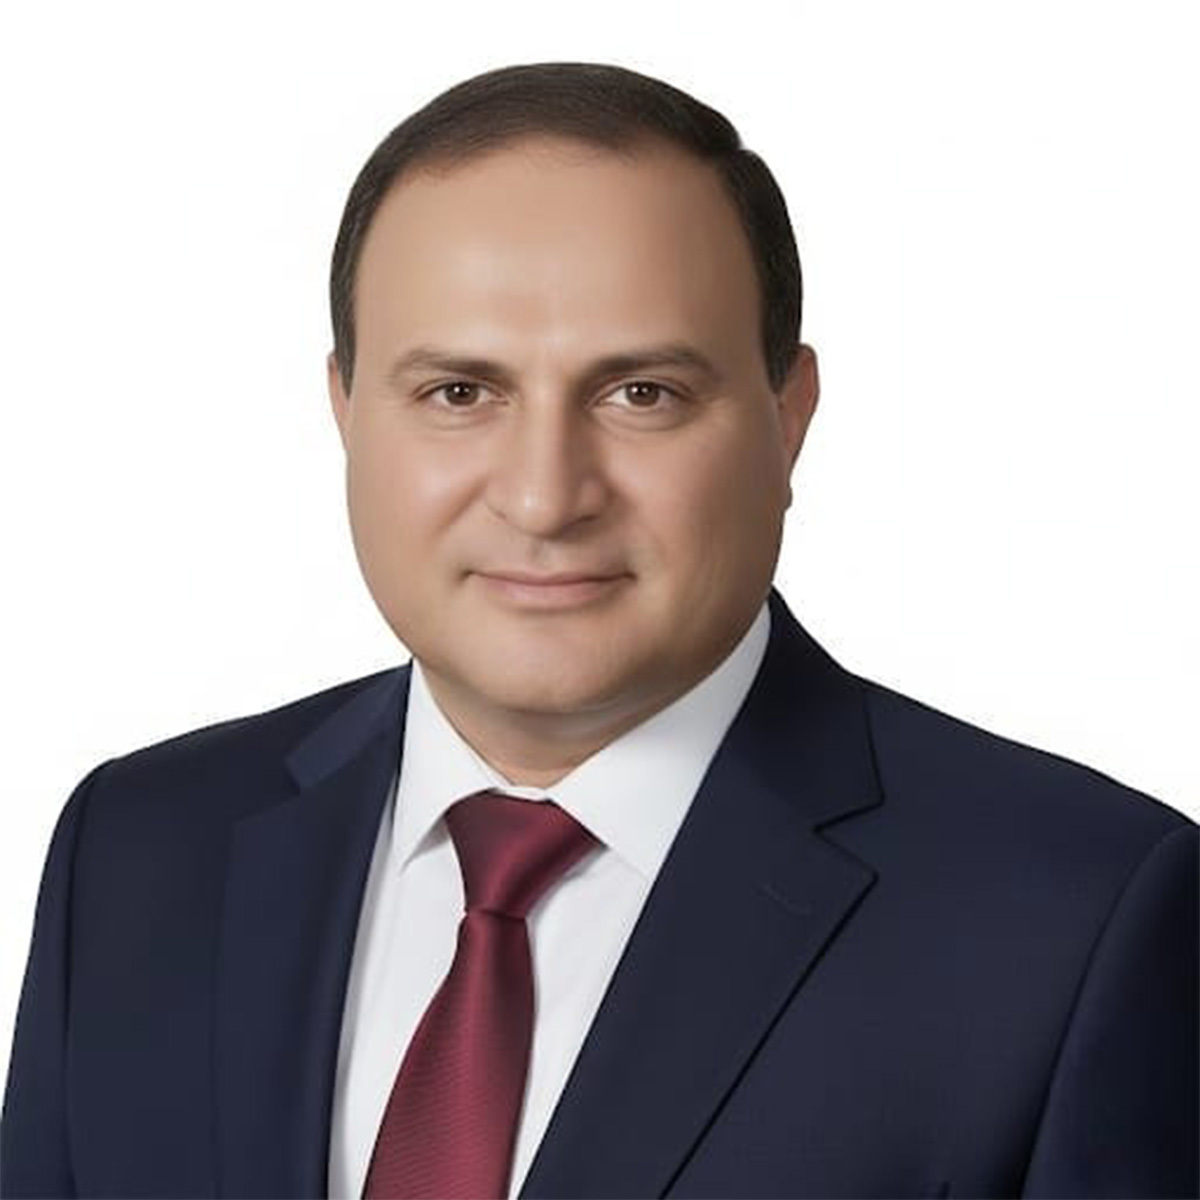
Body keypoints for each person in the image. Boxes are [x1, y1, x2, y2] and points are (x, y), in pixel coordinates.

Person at [1, 60, 1195, 1200]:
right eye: (459, 393)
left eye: (642, 394)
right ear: (346, 412)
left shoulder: (1076, 921)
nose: (544, 496)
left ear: (788, 419)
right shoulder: (137, 849)